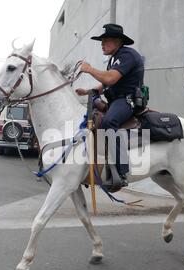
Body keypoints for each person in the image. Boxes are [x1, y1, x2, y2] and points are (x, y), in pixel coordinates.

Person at [76, 24, 145, 187]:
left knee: (108, 122)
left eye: (105, 41)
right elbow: (107, 85)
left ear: (118, 41)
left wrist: (90, 69)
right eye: (102, 41)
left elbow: (110, 79)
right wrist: (89, 92)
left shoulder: (127, 55)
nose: (102, 44)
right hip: (115, 100)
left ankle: (121, 172)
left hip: (127, 101)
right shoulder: (115, 58)